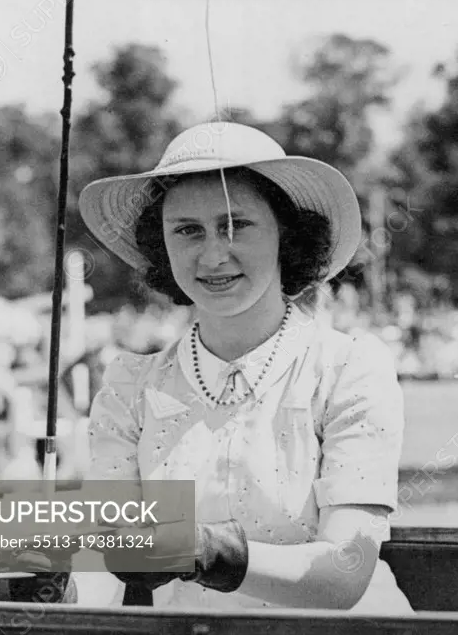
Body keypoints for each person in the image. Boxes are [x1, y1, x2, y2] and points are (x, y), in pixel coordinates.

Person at [67, 121, 413, 613]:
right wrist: (52, 585)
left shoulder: (349, 368)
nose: (212, 254)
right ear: (161, 245)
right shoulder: (130, 386)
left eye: (237, 225)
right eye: (187, 230)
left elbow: (344, 573)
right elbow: (107, 557)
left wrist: (203, 551)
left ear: (285, 236)